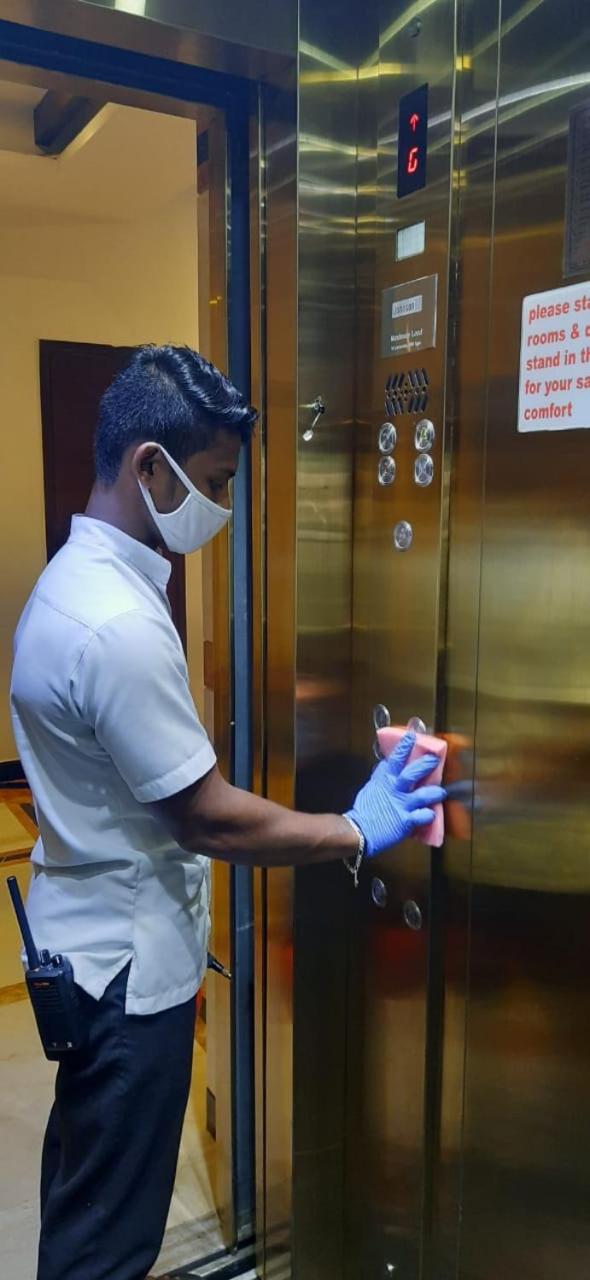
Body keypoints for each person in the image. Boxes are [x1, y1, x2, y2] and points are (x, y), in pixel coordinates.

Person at [10, 345, 445, 1280]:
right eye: (213, 482)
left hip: (89, 951)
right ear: (150, 467)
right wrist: (357, 828)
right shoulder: (117, 624)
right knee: (107, 1240)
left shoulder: (81, 582)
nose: (223, 506)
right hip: (125, 984)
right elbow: (205, 816)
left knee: (89, 1198)